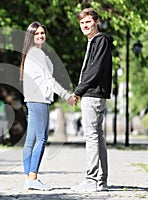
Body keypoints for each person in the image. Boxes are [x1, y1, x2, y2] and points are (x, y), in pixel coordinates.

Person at [20, 21, 77, 191]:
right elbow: (49, 81)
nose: (40, 36)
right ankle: (33, 177)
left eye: (42, 33)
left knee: (31, 140)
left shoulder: (30, 53)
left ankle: (28, 177)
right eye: (36, 33)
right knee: (41, 139)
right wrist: (67, 95)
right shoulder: (37, 54)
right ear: (31, 36)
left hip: (31, 100)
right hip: (39, 100)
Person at [71, 8, 114, 192]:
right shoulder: (95, 42)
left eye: (88, 22)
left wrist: (78, 92)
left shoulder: (100, 40)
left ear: (96, 21)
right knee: (98, 137)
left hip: (92, 95)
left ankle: (91, 179)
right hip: (94, 95)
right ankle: (101, 181)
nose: (85, 26)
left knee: (92, 137)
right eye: (82, 23)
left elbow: (93, 70)